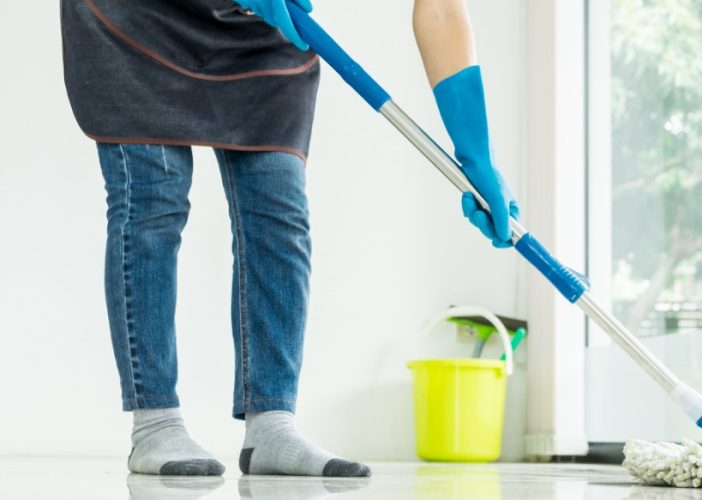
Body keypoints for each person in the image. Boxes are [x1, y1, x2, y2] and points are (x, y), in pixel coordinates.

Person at [61, 0, 518, 476]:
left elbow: (441, 8)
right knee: (154, 200)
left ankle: (271, 425)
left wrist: (476, 153)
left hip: (259, 30)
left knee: (278, 212)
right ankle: (154, 424)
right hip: (138, 19)